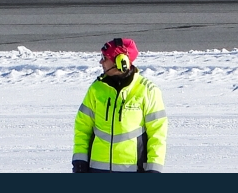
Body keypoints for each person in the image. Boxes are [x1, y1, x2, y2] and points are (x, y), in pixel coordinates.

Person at [71, 37, 167, 172]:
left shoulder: (148, 91)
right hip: (97, 170)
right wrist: (80, 161)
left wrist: (154, 168)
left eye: (104, 58)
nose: (100, 62)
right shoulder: (96, 89)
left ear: (121, 61)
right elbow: (82, 127)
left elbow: (157, 134)